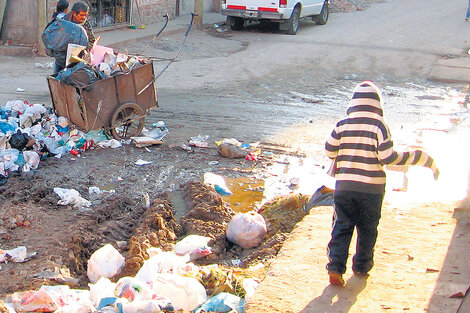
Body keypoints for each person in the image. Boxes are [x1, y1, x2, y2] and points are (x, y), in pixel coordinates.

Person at [324, 81, 440, 286]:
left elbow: (329, 150)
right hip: (372, 190)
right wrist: (418, 157)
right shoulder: (379, 126)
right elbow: (387, 157)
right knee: (368, 228)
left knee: (341, 225)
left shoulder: (342, 124)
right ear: (377, 105)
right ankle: (361, 267)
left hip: (344, 187)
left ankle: (335, 267)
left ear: (353, 103)